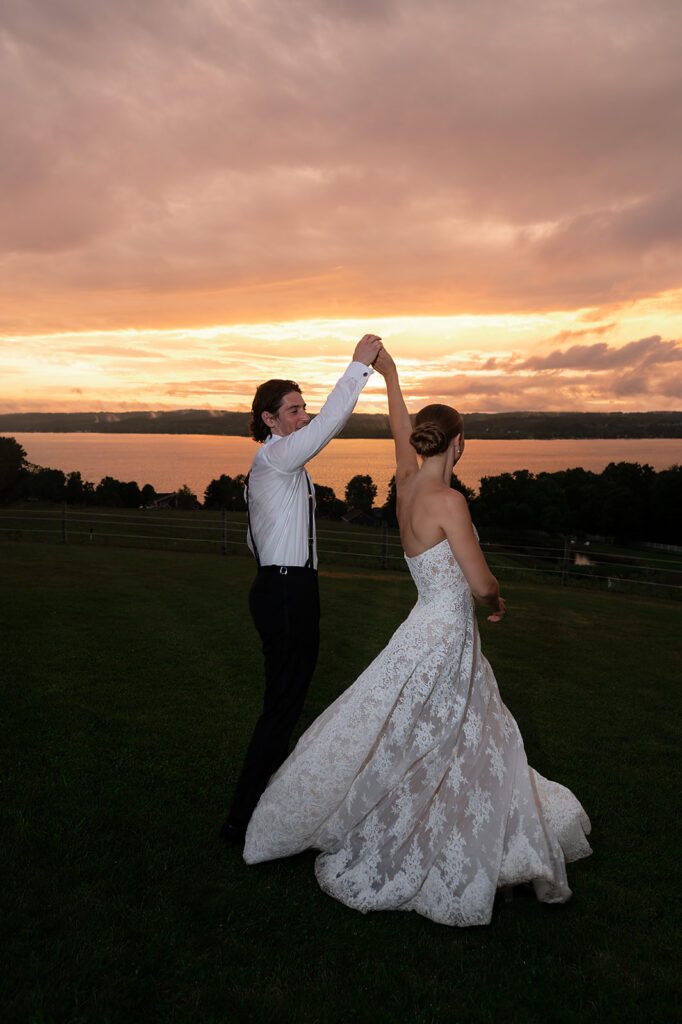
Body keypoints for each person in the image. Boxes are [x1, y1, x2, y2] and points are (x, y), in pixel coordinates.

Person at [243, 348, 592, 927]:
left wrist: (393, 377)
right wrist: (498, 600)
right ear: (458, 443)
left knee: (415, 726)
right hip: (447, 632)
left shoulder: (405, 485)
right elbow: (480, 582)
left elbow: (399, 433)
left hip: (419, 626)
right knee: (454, 726)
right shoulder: (449, 502)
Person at [220, 333, 383, 845]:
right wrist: (358, 368)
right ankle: (243, 820)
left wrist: (276, 570)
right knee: (282, 705)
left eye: (303, 407)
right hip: (286, 590)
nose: (305, 416)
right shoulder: (276, 459)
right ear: (269, 419)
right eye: (294, 410)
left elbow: (253, 536)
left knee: (286, 700)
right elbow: (333, 423)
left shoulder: (277, 468)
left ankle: (266, 802)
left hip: (286, 586)